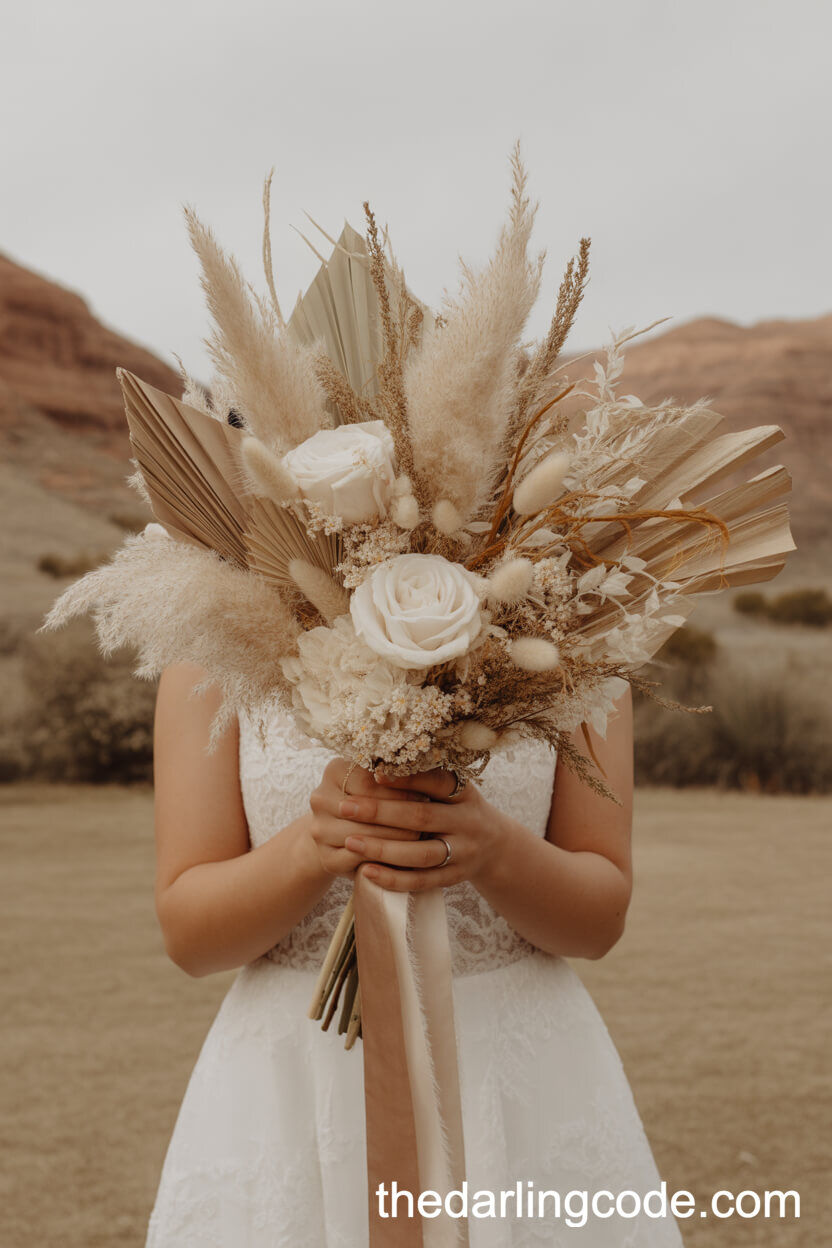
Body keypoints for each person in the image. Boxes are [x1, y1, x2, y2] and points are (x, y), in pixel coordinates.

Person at [145, 660, 684, 1247]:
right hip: (291, 1083)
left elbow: (598, 923)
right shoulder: (216, 647)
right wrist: (315, 842)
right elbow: (190, 937)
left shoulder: (578, 637)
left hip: (518, 1079)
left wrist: (495, 849)